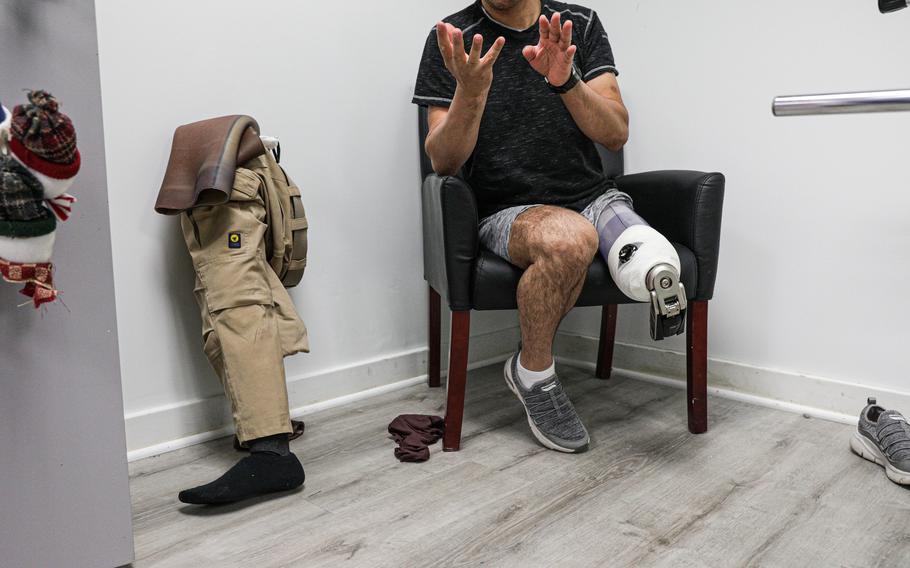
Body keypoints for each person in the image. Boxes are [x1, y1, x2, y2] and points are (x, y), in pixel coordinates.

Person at [413, 0, 686, 453]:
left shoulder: (578, 24)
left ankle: (646, 277)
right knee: (569, 239)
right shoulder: (454, 38)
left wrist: (566, 80)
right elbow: (444, 160)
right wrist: (471, 93)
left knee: (655, 259)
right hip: (507, 210)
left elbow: (616, 132)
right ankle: (533, 373)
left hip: (595, 199)